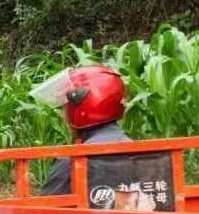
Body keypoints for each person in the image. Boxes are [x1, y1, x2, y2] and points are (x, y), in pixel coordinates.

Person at [33, 65, 132, 197]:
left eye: (65, 107)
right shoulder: (149, 156)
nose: (64, 115)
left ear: (80, 108)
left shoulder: (71, 163)